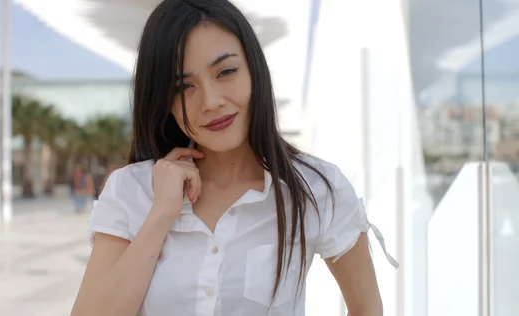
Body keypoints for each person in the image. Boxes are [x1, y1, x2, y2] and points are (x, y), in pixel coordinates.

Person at [71, 0, 398, 315]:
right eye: (183, 87)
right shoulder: (131, 189)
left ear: (254, 70)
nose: (211, 101)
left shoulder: (316, 189)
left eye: (226, 71)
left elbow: (367, 308)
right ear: (163, 101)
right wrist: (160, 215)